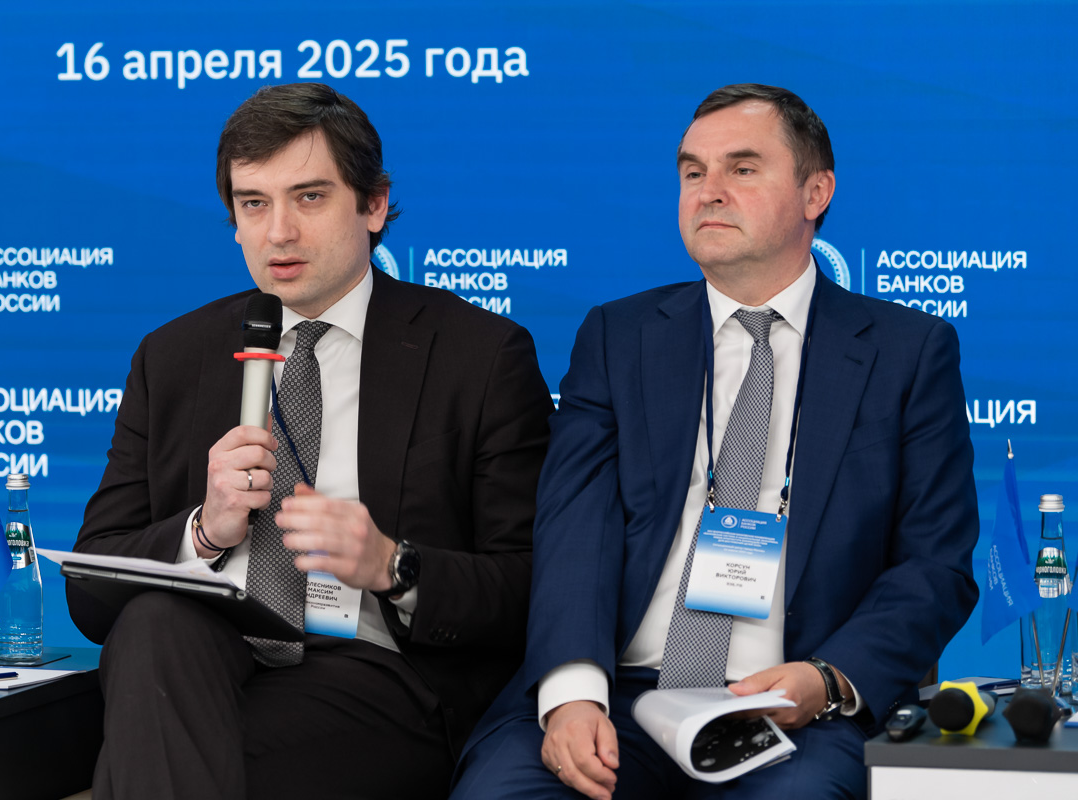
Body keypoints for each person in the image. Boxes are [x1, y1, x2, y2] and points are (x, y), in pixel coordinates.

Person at [452, 83, 978, 800]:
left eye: (743, 168)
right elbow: (575, 530)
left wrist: (826, 680)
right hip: (622, 692)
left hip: (792, 705)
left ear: (816, 192)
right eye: (693, 171)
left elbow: (934, 563)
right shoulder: (619, 338)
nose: (709, 191)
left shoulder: (907, 352)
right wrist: (572, 693)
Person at [66, 82, 554, 800]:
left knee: (151, 763)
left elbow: (530, 585)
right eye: (253, 204)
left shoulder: (478, 355)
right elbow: (90, 593)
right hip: (204, 659)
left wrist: (394, 565)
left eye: (310, 197)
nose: (279, 233)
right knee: (152, 621)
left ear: (374, 205)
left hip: (380, 672)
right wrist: (203, 532)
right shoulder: (172, 358)